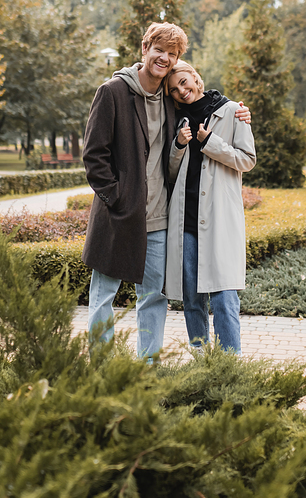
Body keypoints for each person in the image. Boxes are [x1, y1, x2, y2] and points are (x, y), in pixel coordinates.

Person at [82, 22, 251, 360]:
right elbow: (94, 156)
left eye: (171, 54)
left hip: (160, 219)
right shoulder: (113, 91)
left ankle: (149, 367)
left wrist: (240, 112)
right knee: (103, 296)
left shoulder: (171, 99)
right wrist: (117, 198)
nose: (164, 58)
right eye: (159, 50)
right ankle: (101, 367)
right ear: (145, 49)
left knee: (153, 297)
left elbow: (204, 104)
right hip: (118, 216)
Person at [165, 61, 256, 355]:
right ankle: (201, 361)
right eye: (174, 89)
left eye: (184, 81)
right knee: (191, 299)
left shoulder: (231, 111)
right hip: (186, 222)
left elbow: (247, 159)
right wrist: (179, 145)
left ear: (195, 77)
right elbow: (168, 173)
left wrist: (210, 142)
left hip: (219, 221)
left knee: (224, 298)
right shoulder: (175, 120)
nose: (182, 90)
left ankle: (230, 364)